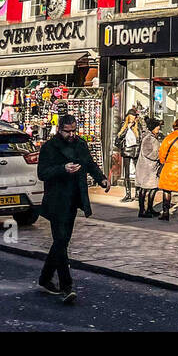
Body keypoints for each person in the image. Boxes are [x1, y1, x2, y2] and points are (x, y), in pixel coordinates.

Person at [36, 113, 107, 304]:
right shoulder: (50, 147)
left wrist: (101, 179)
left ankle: (44, 279)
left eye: (74, 130)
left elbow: (90, 163)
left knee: (62, 241)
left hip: (74, 199)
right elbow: (42, 173)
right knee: (60, 242)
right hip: (56, 200)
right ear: (59, 129)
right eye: (68, 131)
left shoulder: (80, 144)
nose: (71, 134)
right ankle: (67, 287)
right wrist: (63, 168)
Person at [134, 116, 162, 217]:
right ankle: (142, 210)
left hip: (151, 168)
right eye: (157, 129)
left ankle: (149, 208)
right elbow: (148, 153)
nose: (158, 131)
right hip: (146, 168)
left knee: (153, 188)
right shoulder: (148, 138)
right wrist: (160, 155)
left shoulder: (152, 138)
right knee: (145, 189)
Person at [114, 111, 141, 202]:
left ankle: (137, 193)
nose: (134, 117)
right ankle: (128, 194)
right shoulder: (124, 125)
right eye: (132, 115)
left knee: (138, 173)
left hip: (136, 151)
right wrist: (127, 128)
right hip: (126, 150)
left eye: (135, 116)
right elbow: (119, 137)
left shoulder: (138, 125)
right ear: (128, 116)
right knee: (127, 174)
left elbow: (140, 138)